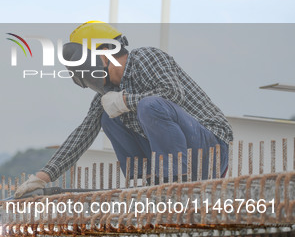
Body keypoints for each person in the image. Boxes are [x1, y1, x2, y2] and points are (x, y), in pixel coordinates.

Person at [15, 21, 233, 198]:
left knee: (150, 105)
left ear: (104, 52)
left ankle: (171, 183)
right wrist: (42, 177)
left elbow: (172, 93)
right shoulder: (109, 94)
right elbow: (82, 135)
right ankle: (149, 181)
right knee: (108, 117)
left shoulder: (146, 58)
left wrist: (126, 101)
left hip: (208, 150)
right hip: (171, 157)